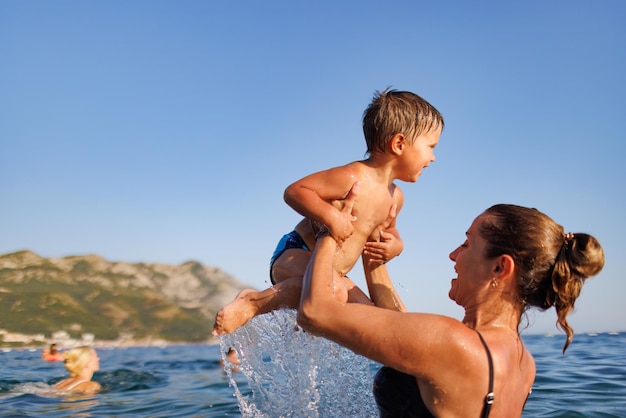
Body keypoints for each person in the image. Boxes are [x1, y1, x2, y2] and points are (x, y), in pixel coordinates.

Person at [298, 198, 605, 417]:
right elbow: (402, 331)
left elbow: (315, 312)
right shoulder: (523, 364)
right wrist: (373, 248)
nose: (453, 255)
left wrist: (331, 228)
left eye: (467, 244)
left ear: (500, 268)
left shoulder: (453, 343)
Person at [213, 88, 444, 335]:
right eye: (431, 146)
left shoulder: (395, 197)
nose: (433, 158)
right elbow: (295, 191)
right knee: (333, 291)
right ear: (399, 144)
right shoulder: (352, 177)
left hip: (333, 276)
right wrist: (331, 216)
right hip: (299, 251)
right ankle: (252, 302)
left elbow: (389, 230)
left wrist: (396, 244)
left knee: (368, 316)